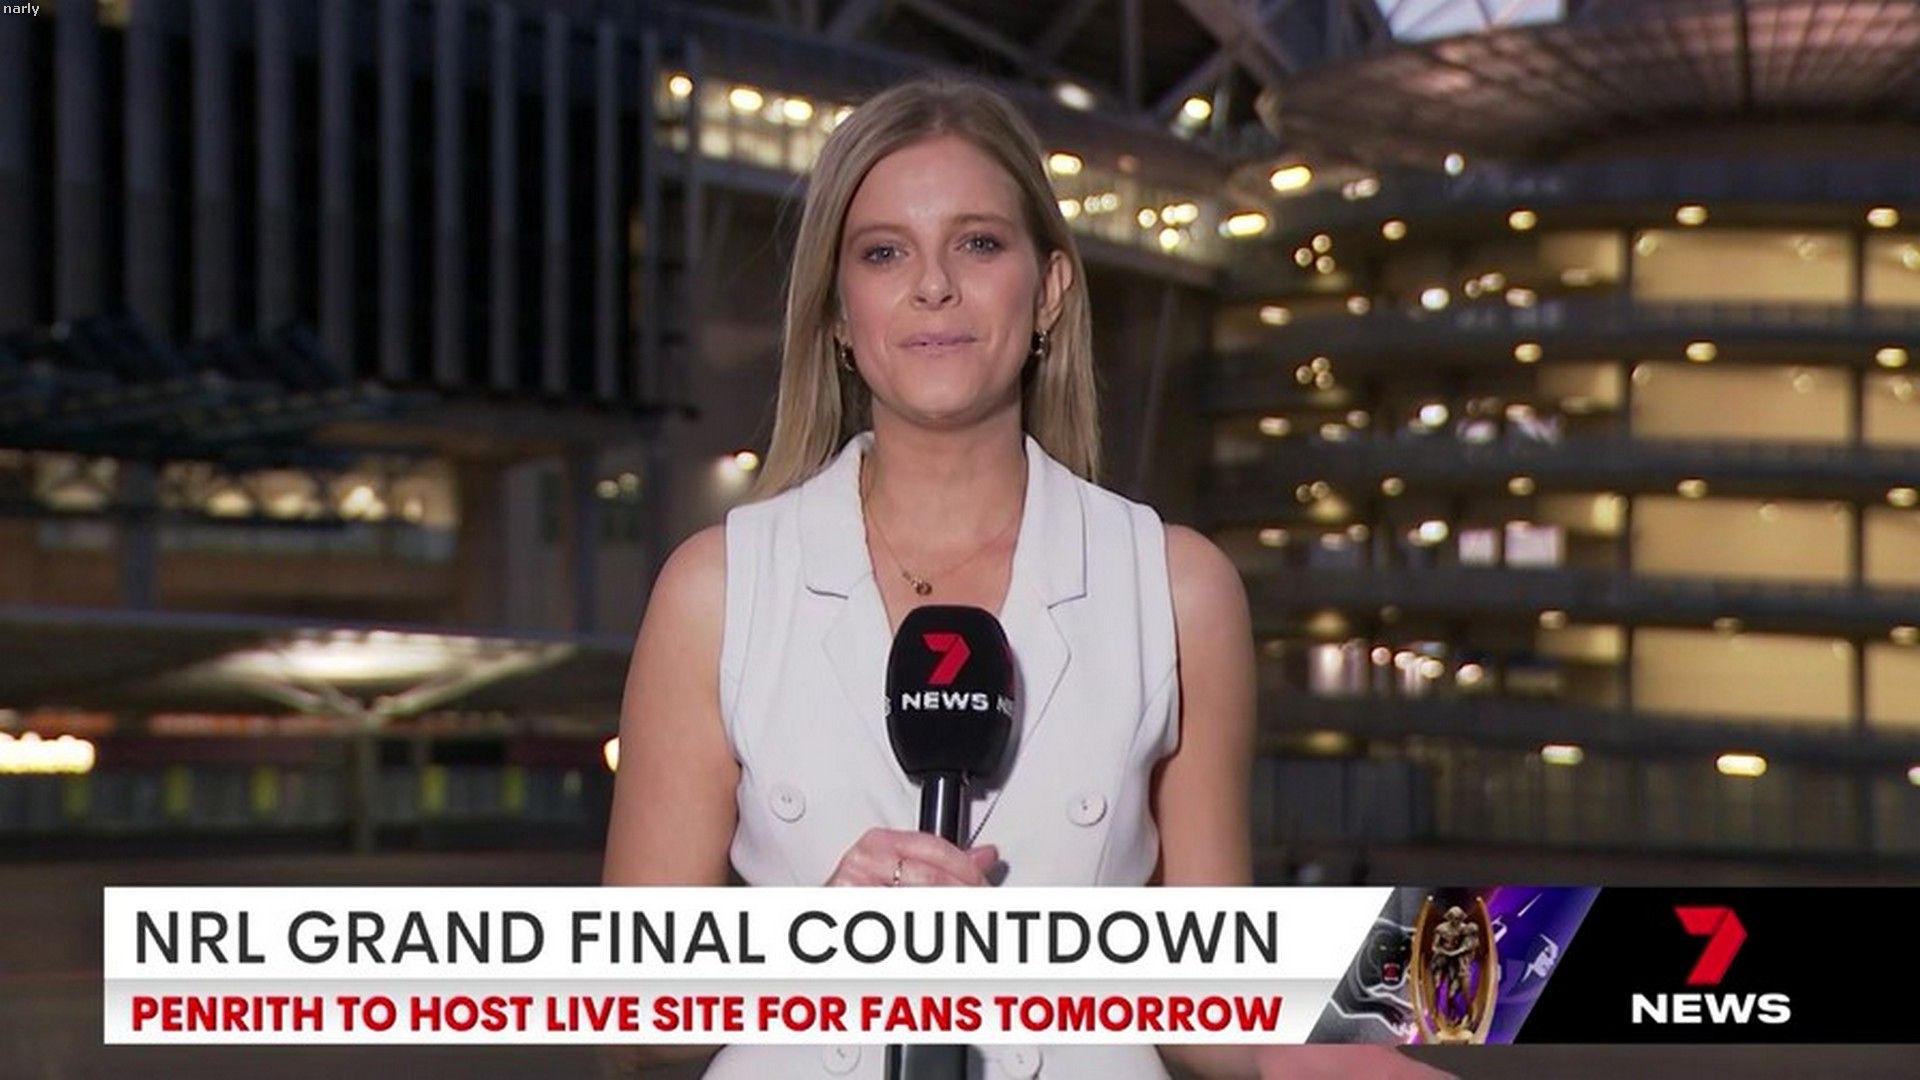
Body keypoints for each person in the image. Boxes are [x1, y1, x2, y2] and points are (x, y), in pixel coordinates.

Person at [603, 77, 1440, 1080]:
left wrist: (1357, 1048)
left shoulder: (1174, 589)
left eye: (978, 243)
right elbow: (628, 1021)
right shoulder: (719, 590)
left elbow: (1212, 996)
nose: (933, 286)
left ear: (1048, 289)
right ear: (836, 313)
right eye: (883, 253)